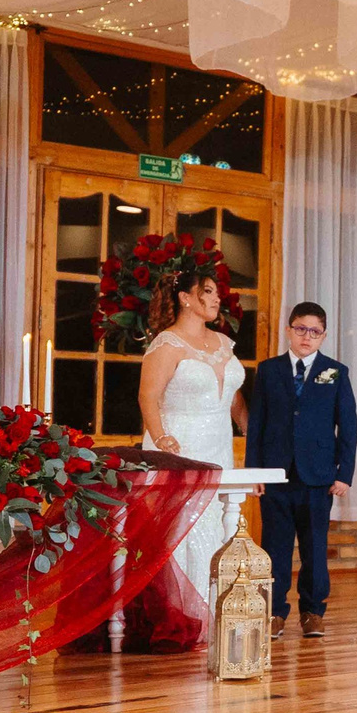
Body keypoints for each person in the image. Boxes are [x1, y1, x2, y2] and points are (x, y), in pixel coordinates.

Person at [127, 270, 244, 652]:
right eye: (207, 292)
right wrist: (161, 439)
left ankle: (221, 616)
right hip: (181, 445)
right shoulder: (167, 344)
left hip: (219, 446)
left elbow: (235, 403)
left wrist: (257, 440)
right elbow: (148, 397)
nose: (216, 299)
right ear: (185, 298)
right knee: (183, 530)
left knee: (218, 526)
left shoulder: (224, 343)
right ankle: (181, 616)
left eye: (216, 293)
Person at [244, 301, 357, 640]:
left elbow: (348, 426)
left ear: (323, 336)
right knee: (275, 547)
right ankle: (275, 612)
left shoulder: (335, 372)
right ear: (289, 330)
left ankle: (313, 611)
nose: (307, 337)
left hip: (318, 476)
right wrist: (255, 473)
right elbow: (258, 424)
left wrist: (344, 474)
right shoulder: (269, 370)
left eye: (315, 332)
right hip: (277, 475)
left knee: (314, 548)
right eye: (301, 329)